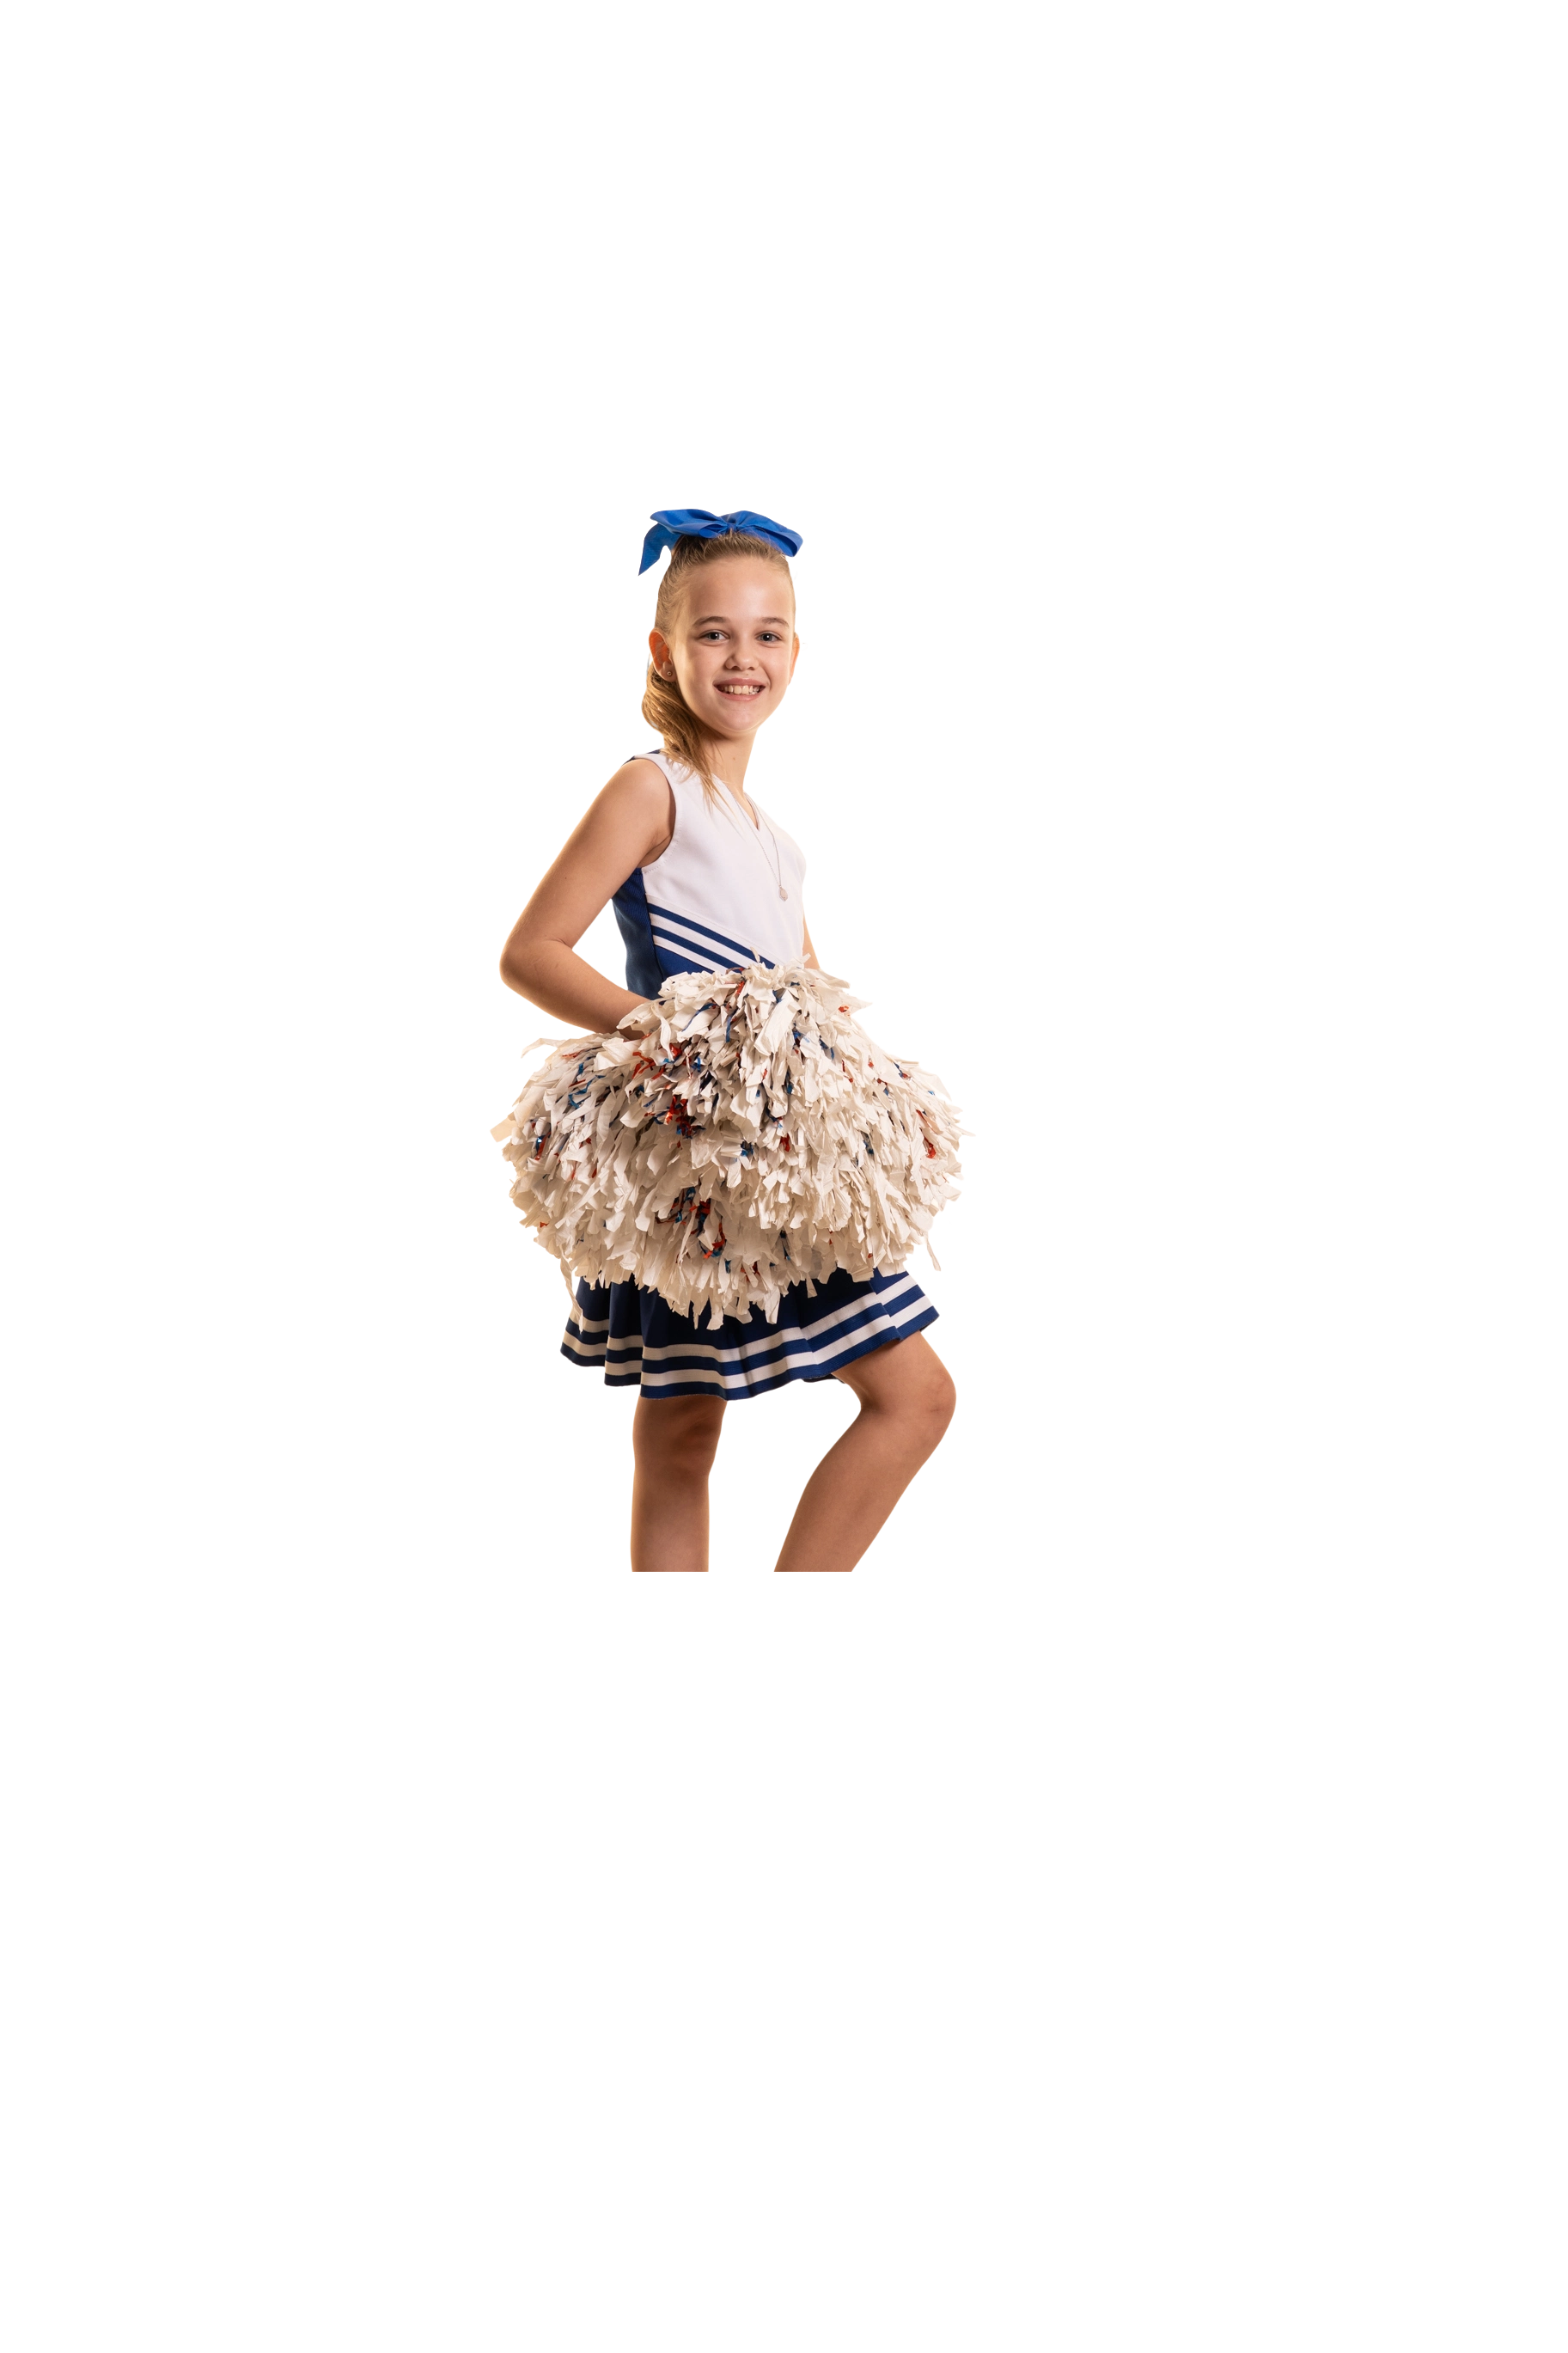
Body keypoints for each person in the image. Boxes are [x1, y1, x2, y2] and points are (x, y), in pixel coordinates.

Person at [499, 509, 956, 1572]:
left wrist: (866, 1109)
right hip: (698, 1163)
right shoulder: (650, 787)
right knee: (715, 1427)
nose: (742, 655)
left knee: (721, 1427)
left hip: (775, 1161)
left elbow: (811, 1009)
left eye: (767, 632)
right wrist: (676, 1036)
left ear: (797, 652)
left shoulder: (774, 840)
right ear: (662, 649)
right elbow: (532, 951)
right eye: (712, 632)